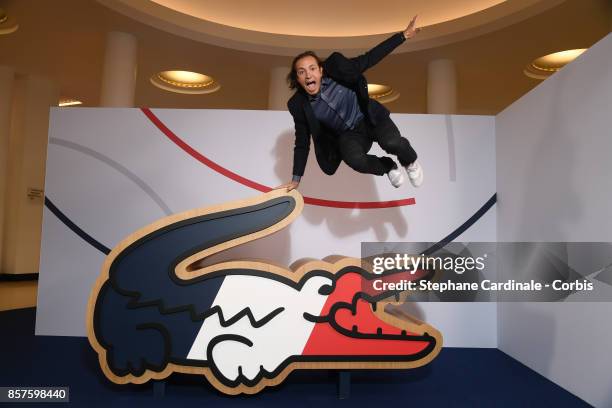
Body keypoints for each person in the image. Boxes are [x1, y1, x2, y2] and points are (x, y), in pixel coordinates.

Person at [277, 16, 424, 192]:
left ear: (321, 70)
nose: (308, 75)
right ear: (298, 79)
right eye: (302, 72)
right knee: (355, 160)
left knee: (392, 143)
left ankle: (410, 162)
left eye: (312, 69)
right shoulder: (298, 104)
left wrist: (403, 36)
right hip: (349, 135)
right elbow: (302, 142)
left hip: (369, 118)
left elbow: (368, 58)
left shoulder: (337, 67)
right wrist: (296, 179)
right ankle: (388, 166)